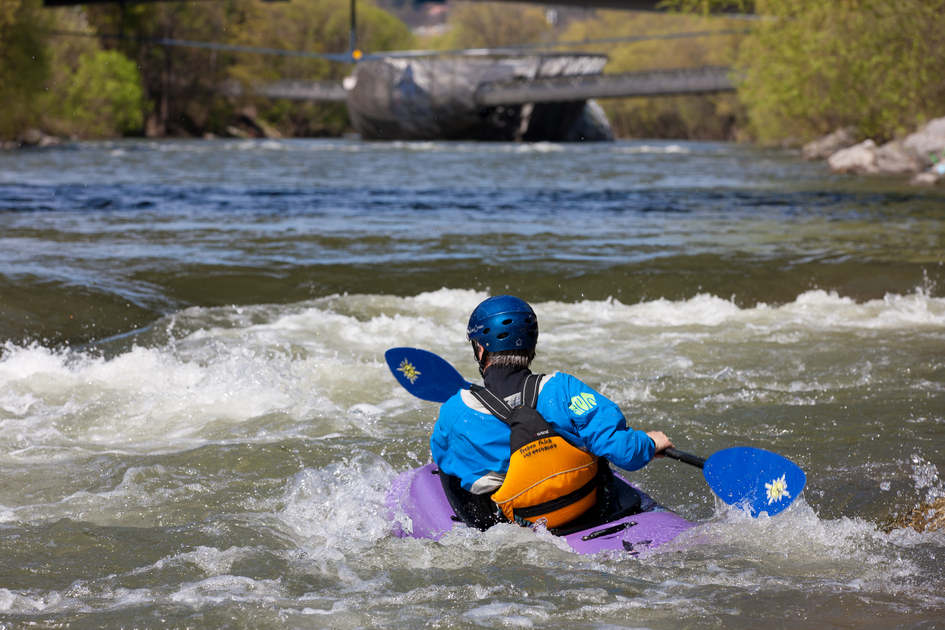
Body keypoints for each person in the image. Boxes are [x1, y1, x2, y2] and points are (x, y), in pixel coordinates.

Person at [429, 295, 674, 530]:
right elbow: (623, 451)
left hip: (517, 524)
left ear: (481, 350)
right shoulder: (564, 389)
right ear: (531, 344)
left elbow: (445, 463)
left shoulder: (455, 412)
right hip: (586, 507)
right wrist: (649, 443)